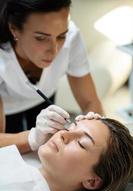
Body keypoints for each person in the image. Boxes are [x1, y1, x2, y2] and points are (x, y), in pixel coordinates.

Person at [0, 0, 103, 135]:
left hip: (44, 99)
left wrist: (98, 133)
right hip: (8, 110)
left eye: (61, 36)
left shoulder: (72, 38)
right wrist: (34, 138)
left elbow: (90, 102)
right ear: (14, 29)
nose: (54, 51)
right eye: (41, 38)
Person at [0, 113, 133, 191]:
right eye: (71, 127)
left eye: (81, 143)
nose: (63, 134)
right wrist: (31, 138)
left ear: (91, 181)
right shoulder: (32, 153)